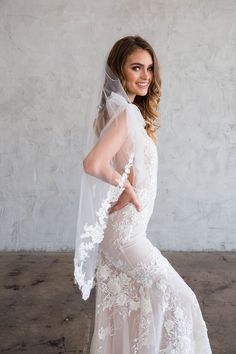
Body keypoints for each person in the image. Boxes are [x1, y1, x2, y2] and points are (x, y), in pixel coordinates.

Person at [74, 35, 212, 354]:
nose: (145, 75)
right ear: (119, 71)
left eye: (149, 68)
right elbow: (93, 163)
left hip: (126, 231)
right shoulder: (126, 114)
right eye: (136, 67)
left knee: (135, 311)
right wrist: (126, 187)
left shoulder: (119, 114)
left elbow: (119, 159)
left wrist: (128, 178)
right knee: (182, 301)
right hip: (126, 236)